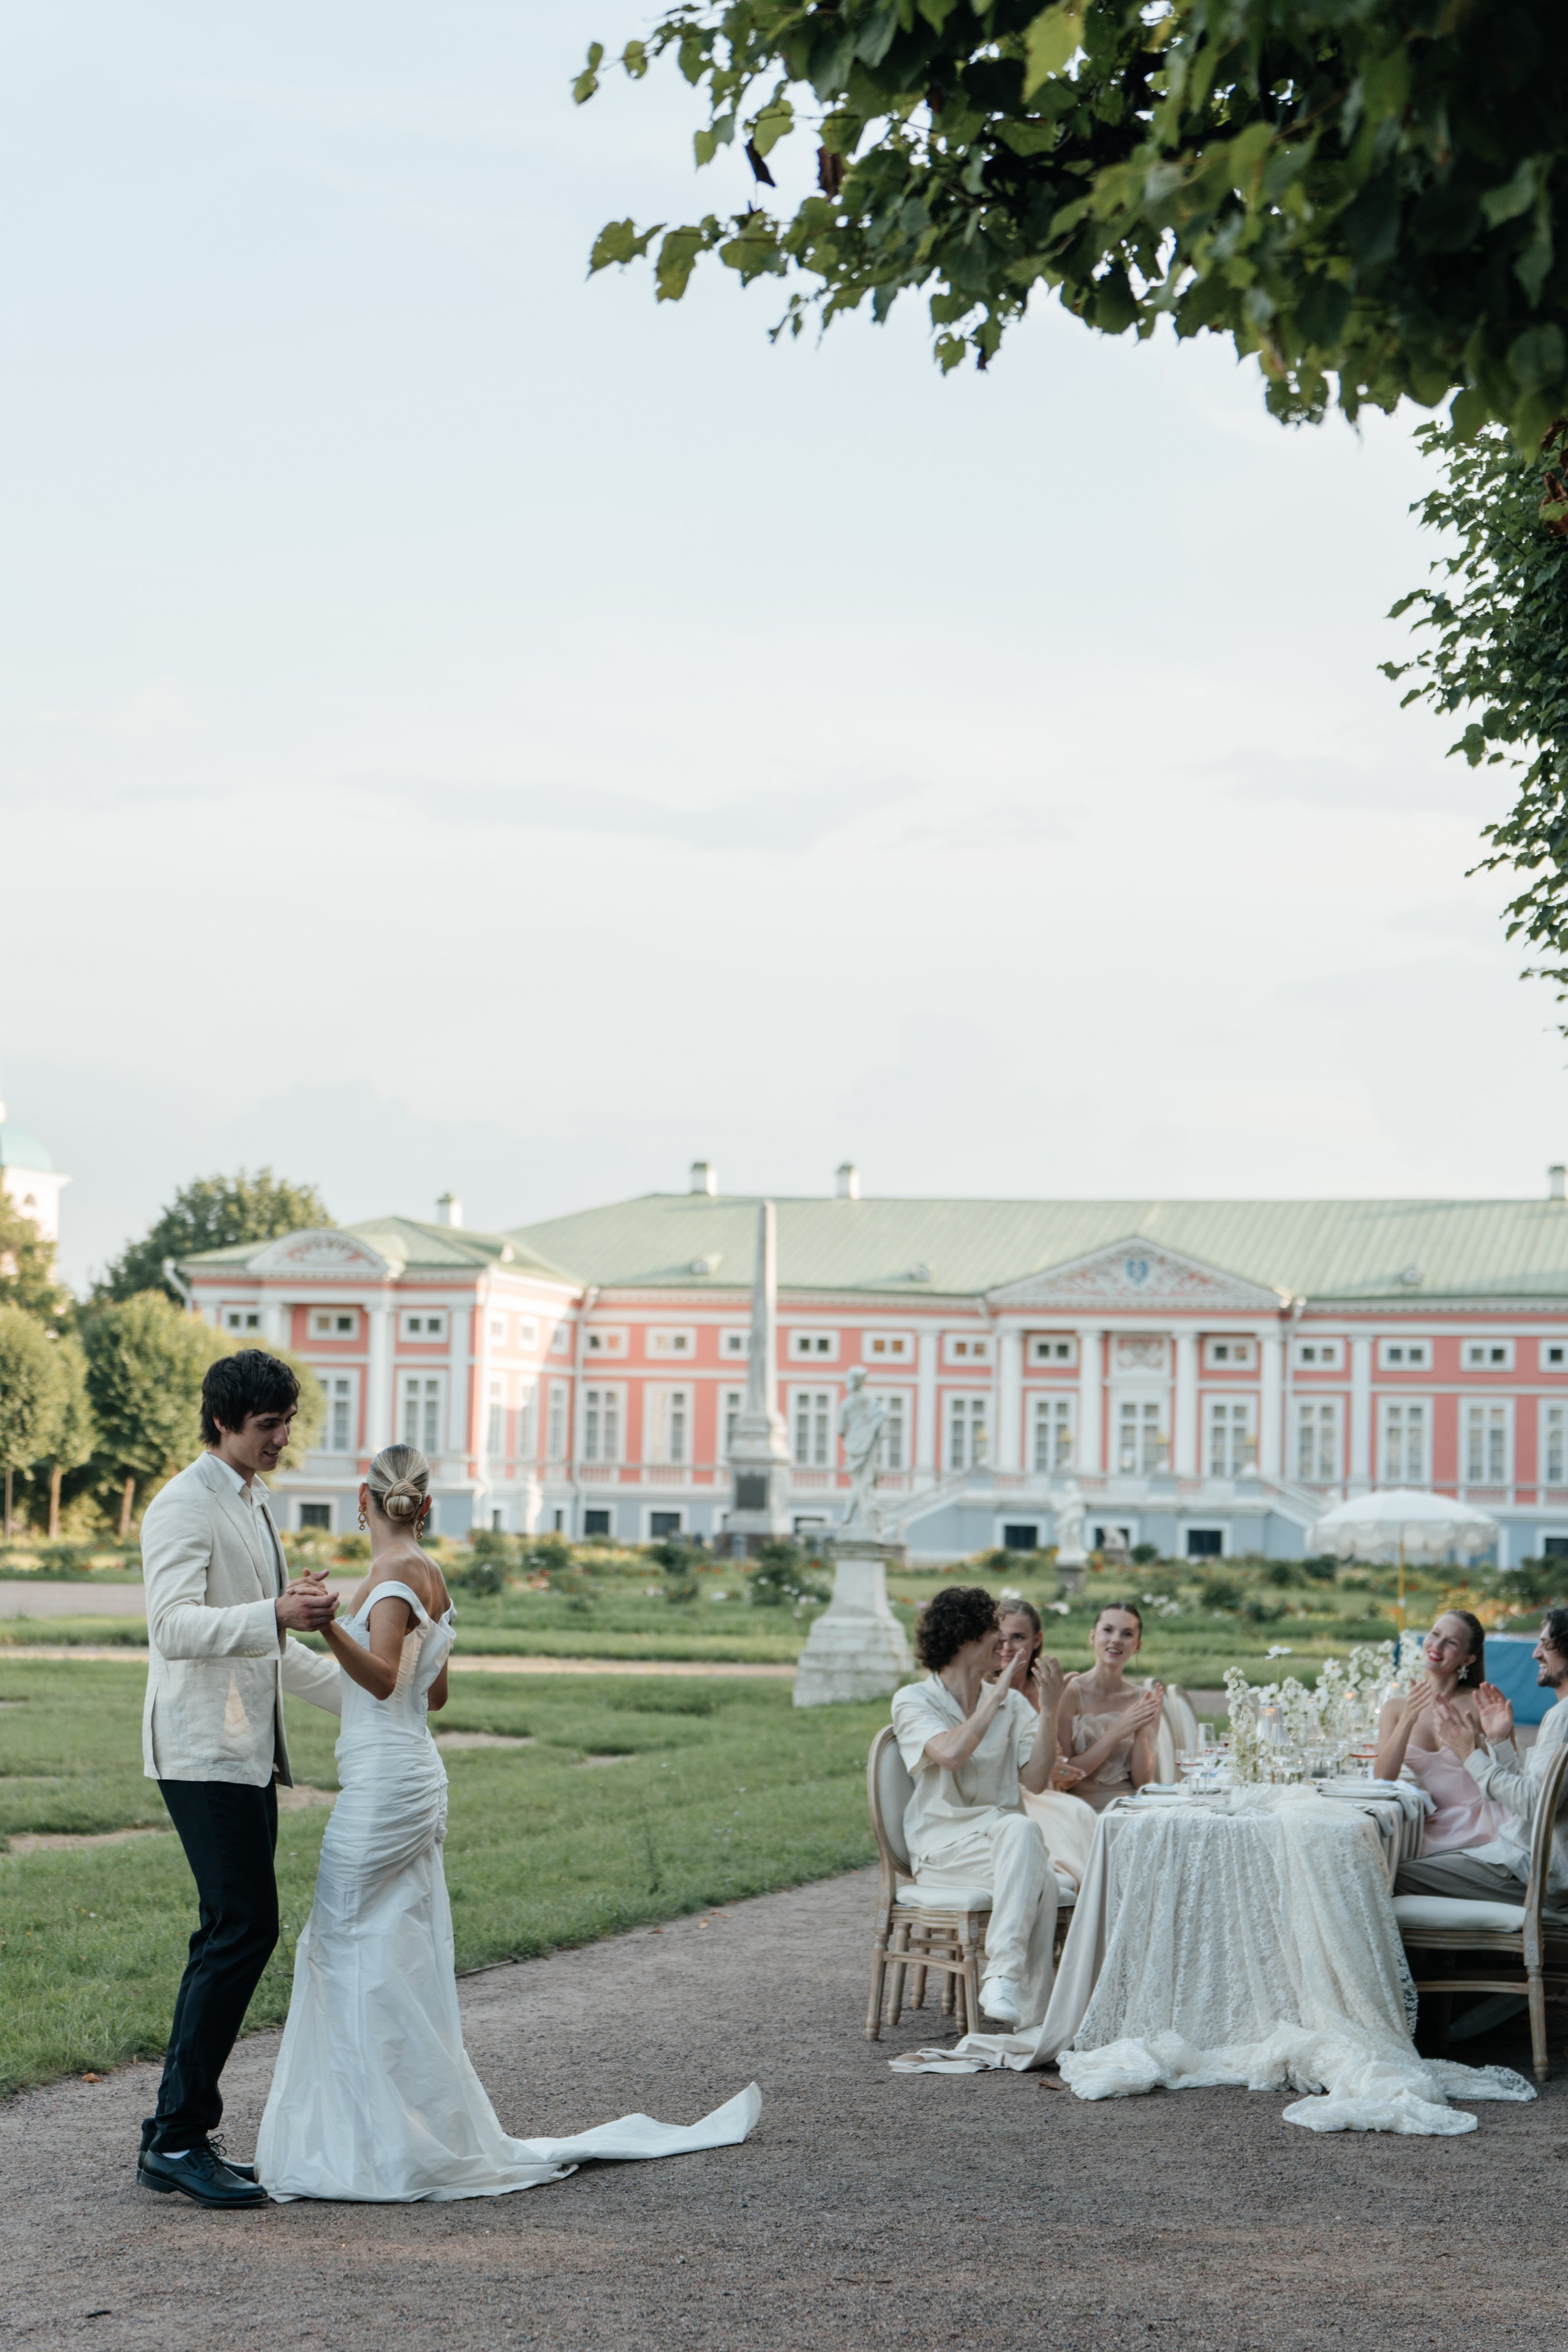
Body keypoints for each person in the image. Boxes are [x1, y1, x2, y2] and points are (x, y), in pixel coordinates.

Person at [256, 1444, 758, 2199]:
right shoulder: (427, 1575)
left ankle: (375, 2145)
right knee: (386, 1952)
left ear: (365, 1503)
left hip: (386, 1789)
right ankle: (390, 2133)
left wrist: (326, 1627)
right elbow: (434, 1696)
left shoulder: (389, 1581)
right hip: (411, 1773)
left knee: (341, 1946)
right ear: (425, 1507)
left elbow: (389, 1679)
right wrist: (332, 1644)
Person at [136, 1350, 344, 2208]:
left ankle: (174, 2134)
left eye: (287, 1422)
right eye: (268, 1425)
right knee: (242, 1929)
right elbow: (174, 1627)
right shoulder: (182, 1503)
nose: (281, 1439)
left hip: (246, 1751)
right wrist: (273, 1613)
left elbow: (277, 1648)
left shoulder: (255, 1502)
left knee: (236, 1929)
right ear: (223, 1419)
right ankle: (178, 2139)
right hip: (199, 1751)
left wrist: (381, 1701)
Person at [890, 1585, 1065, 2032]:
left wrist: (1047, 1712)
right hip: (944, 1850)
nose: (1003, 1642)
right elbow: (950, 1754)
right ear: (965, 1639)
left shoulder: (1013, 1704)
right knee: (1038, 1870)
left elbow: (1036, 1780)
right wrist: (996, 1697)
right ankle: (1033, 2014)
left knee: (1025, 1839)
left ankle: (1004, 1979)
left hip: (1002, 1844)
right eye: (993, 1630)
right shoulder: (914, 1700)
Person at [1393, 1609, 1568, 1920]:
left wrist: (1468, 1754)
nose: (1535, 1653)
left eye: (1545, 1644)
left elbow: (1534, 1805)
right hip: (1519, 1856)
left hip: (1532, 1872)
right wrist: (1499, 1743)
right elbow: (1531, 1797)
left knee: (1388, 1875)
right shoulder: (1561, 1714)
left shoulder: (1562, 1717)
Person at [1375, 1610, 1506, 1854]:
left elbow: (1510, 1776)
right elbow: (1383, 1778)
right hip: (1434, 1826)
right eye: (1435, 1634)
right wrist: (1408, 1719)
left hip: (1487, 1826)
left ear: (1468, 1659)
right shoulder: (1395, 1708)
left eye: (1451, 1642)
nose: (1437, 1645)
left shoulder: (1482, 1704)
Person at [995, 1600, 1098, 1891]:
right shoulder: (982, 1688)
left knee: (1079, 1814)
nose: (1007, 1647)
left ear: (1037, 1640)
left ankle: (1082, 1908)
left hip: (1044, 1789)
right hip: (1005, 1790)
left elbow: (1060, 1755)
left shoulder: (1048, 1687)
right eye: (1001, 1637)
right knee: (1064, 1822)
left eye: (1018, 1637)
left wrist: (1059, 1766)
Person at [1055, 1602, 1164, 1813]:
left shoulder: (1143, 1698)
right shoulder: (1070, 1693)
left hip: (1129, 1809)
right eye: (1108, 1630)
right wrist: (1118, 1731)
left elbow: (1142, 1782)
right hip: (1081, 1810)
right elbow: (1066, 1780)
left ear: (1137, 1646)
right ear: (1092, 1637)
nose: (1116, 1639)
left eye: (1127, 1634)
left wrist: (1140, 1728)